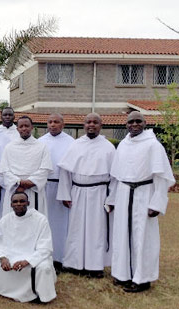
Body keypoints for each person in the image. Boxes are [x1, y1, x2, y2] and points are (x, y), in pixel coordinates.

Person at [107, 112, 175, 292]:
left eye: (138, 121)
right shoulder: (122, 144)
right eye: (131, 122)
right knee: (122, 235)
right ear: (126, 125)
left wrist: (157, 203)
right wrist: (112, 199)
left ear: (145, 123)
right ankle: (123, 275)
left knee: (143, 237)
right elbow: (115, 176)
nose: (134, 124)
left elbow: (161, 177)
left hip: (144, 193)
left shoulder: (153, 145)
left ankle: (142, 279)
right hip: (123, 193)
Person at [57, 113, 116, 278]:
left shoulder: (108, 147)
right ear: (84, 125)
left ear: (100, 125)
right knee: (76, 229)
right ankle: (75, 264)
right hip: (78, 192)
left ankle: (95, 266)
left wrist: (111, 199)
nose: (91, 125)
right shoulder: (76, 145)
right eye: (88, 122)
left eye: (95, 122)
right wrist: (65, 194)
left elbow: (115, 177)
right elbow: (65, 172)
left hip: (99, 194)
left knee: (97, 230)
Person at [0, 191, 57, 303]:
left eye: (22, 201)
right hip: (10, 257)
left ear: (28, 203)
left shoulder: (40, 220)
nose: (18, 204)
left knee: (44, 268)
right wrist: (3, 258)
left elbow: (45, 248)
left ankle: (39, 295)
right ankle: (5, 291)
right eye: (15, 202)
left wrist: (27, 261)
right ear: (11, 205)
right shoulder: (5, 220)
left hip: (34, 258)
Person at [38, 114, 74, 270]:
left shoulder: (72, 143)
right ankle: (44, 255)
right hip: (43, 186)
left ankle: (60, 257)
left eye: (56, 122)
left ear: (63, 124)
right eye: (50, 122)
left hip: (62, 187)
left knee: (61, 225)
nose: (53, 125)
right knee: (44, 223)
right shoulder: (40, 142)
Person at [0, 115, 52, 217]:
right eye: (21, 126)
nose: (24, 128)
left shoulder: (41, 146)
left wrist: (29, 183)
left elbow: (45, 169)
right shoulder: (9, 147)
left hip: (34, 190)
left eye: (26, 126)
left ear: (32, 127)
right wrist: (17, 184)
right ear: (17, 128)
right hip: (15, 191)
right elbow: (5, 171)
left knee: (35, 222)